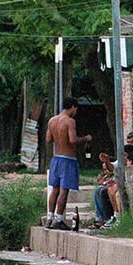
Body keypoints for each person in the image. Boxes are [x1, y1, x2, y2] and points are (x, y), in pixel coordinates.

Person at [46, 97, 92, 230]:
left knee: (54, 189)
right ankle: (59, 218)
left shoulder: (52, 121)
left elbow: (48, 139)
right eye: (76, 109)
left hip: (56, 159)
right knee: (63, 190)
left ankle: (50, 217)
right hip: (68, 159)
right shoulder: (70, 121)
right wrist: (85, 138)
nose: (76, 112)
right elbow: (72, 140)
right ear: (72, 107)